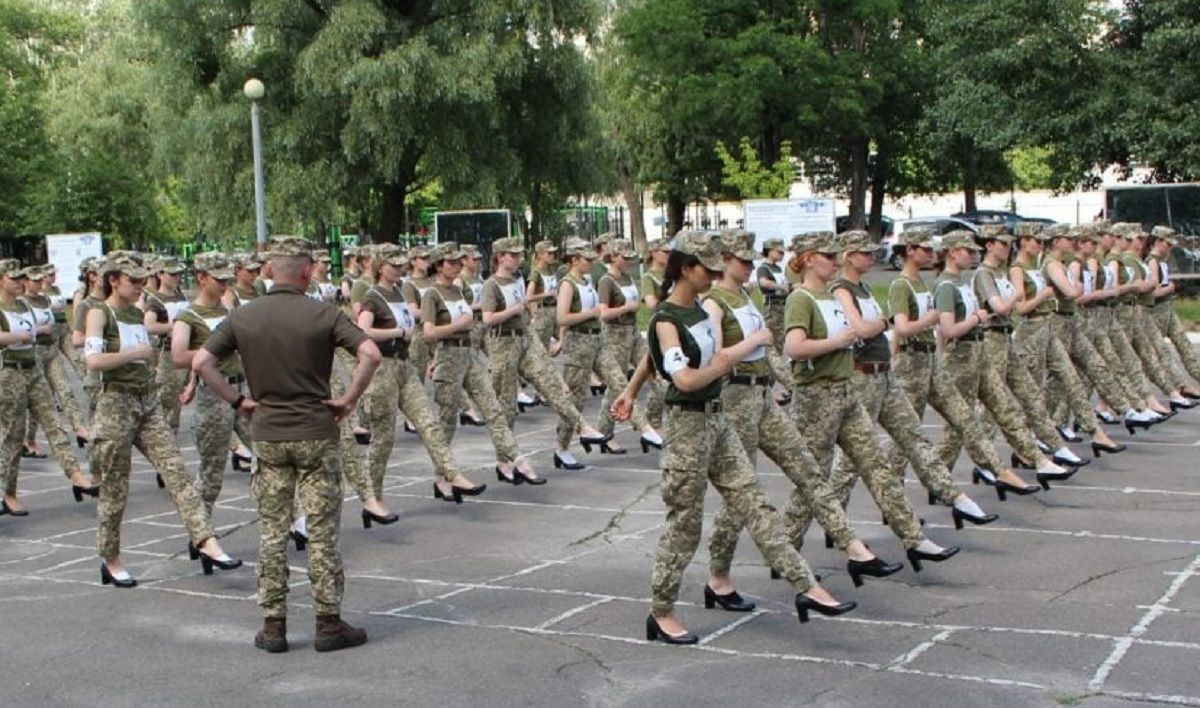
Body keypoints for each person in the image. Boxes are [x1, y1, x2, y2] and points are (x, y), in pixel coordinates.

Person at [611, 230, 856, 644]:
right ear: (686, 269)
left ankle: (806, 585)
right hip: (687, 427)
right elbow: (684, 377)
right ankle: (662, 610)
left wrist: (631, 390)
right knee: (684, 526)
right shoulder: (668, 318)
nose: (714, 274)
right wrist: (726, 361)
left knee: (755, 502)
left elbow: (651, 358)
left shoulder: (700, 312)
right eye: (707, 268)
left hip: (718, 421)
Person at [194, 236, 378, 654]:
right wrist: (348, 400)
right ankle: (328, 622)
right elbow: (370, 354)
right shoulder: (324, 313)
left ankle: (273, 625)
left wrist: (239, 400)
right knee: (322, 530)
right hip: (316, 431)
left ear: (268, 272)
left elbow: (202, 362)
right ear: (306, 272)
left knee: (273, 531)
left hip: (269, 434)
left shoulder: (244, 317)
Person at [702, 232, 902, 600]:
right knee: (739, 496)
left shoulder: (746, 297)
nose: (748, 267)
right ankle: (718, 577)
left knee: (809, 470)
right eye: (742, 261)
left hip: (762, 395)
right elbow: (717, 359)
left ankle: (853, 547)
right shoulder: (714, 303)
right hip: (735, 399)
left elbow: (772, 353)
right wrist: (756, 341)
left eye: (750, 261)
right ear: (724, 260)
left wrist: (782, 379)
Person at [782, 232, 959, 570]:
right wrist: (838, 341)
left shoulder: (831, 297)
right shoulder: (801, 298)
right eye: (827, 256)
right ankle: (786, 549)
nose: (835, 262)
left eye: (837, 256)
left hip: (846, 389)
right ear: (807, 259)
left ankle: (913, 537)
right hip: (816, 397)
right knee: (813, 477)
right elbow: (793, 348)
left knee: (876, 464)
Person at [85, 255, 240, 589]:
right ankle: (111, 559)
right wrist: (134, 355)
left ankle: (206, 541)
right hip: (115, 402)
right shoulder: (101, 312)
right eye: (134, 280)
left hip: (147, 400)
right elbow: (93, 361)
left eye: (143, 279)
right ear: (114, 280)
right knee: (115, 487)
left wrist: (186, 382)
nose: (141, 285)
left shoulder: (136, 312)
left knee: (177, 474)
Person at [827, 232, 997, 527]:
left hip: (885, 374)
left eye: (872, 252)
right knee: (854, 456)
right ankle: (835, 519)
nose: (872, 257)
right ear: (848, 255)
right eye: (865, 253)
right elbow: (863, 329)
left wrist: (891, 353)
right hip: (862, 376)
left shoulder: (864, 287)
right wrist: (888, 323)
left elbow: (881, 333)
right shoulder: (842, 289)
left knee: (914, 437)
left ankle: (954, 498)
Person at [358, 244, 487, 504]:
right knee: (383, 439)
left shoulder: (397, 292)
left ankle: (452, 474)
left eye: (400, 265)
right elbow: (362, 331)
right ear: (380, 267)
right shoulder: (374, 296)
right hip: (384, 368)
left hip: (404, 365)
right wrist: (397, 333)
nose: (399, 269)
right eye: (394, 265)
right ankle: (373, 497)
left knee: (428, 423)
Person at [422, 242, 542, 482]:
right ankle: (442, 476)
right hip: (449, 356)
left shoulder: (458, 291)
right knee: (447, 422)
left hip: (469, 354)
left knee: (493, 409)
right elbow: (429, 333)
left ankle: (517, 458)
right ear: (438, 265)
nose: (457, 266)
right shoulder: (431, 295)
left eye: (459, 262)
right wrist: (460, 325)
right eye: (451, 262)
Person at [0, 260, 96, 516]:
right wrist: (15, 337)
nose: (19, 282)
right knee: (12, 435)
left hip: (33, 369)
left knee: (54, 424)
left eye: (21, 277)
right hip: (9, 374)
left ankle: (76, 475)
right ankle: (8, 494)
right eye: (13, 278)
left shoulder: (24, 305)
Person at [555, 238, 660, 454]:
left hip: (598, 340)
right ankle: (561, 448)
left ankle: (646, 428)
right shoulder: (568, 284)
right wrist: (569, 334)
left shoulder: (585, 281)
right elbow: (562, 318)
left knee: (621, 383)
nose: (591, 263)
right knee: (576, 398)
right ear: (574, 260)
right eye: (586, 259)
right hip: (580, 344)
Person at [595, 239, 663, 452]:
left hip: (633, 333)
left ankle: (653, 422)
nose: (628, 262)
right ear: (613, 257)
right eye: (624, 258)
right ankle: (605, 433)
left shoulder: (628, 278)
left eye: (630, 258)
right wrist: (625, 308)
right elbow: (603, 314)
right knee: (618, 387)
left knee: (658, 374)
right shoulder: (606, 281)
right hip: (615, 336)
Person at [1148, 226, 1200, 392]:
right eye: (1168, 244)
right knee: (1160, 354)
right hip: (1156, 312)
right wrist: (1170, 288)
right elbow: (1153, 292)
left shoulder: (1162, 261)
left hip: (1167, 309)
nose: (1170, 248)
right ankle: (1179, 386)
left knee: (1186, 348)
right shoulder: (1152, 261)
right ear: (1158, 241)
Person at [143, 256, 190, 436]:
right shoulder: (155, 299)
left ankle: (171, 429)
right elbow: (149, 326)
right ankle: (164, 431)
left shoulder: (182, 295)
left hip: (186, 349)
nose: (176, 277)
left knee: (180, 393)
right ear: (160, 275)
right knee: (167, 395)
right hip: (168, 352)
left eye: (178, 274)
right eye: (172, 274)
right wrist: (175, 326)